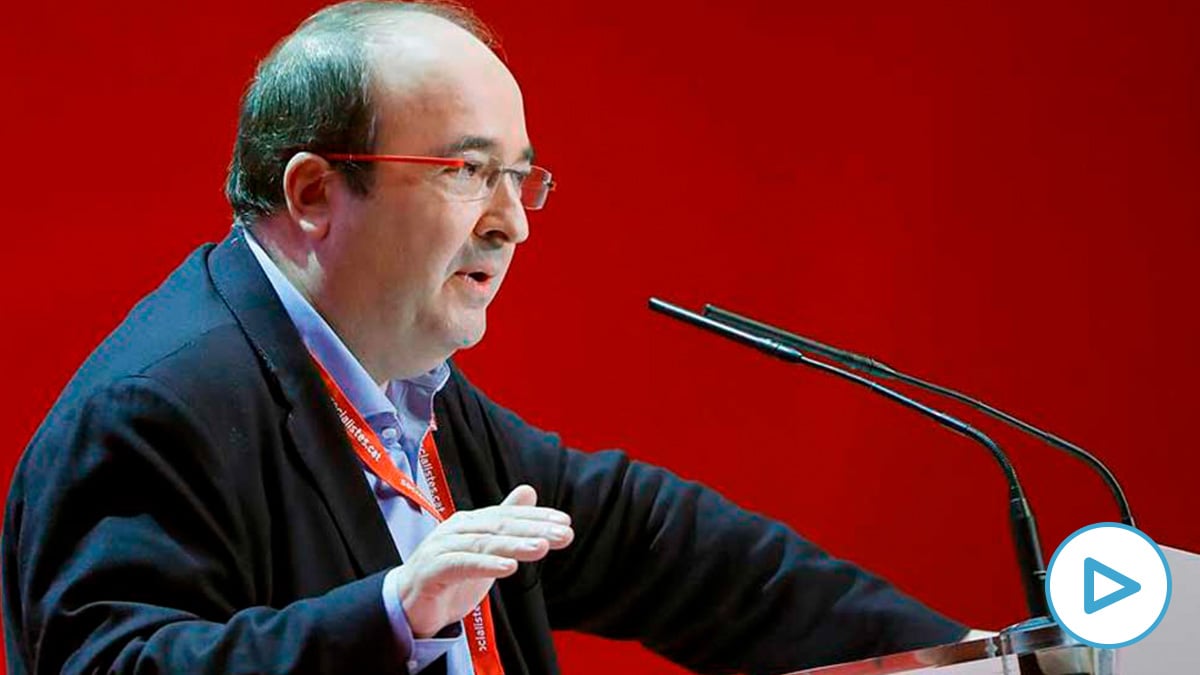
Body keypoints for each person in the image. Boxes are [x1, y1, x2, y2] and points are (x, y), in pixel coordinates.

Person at [2, 2, 973, 673]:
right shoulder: (162, 404)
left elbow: (663, 548)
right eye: (468, 173)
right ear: (312, 194)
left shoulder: (398, 386)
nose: (515, 222)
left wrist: (965, 659)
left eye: (523, 177)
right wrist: (395, 608)